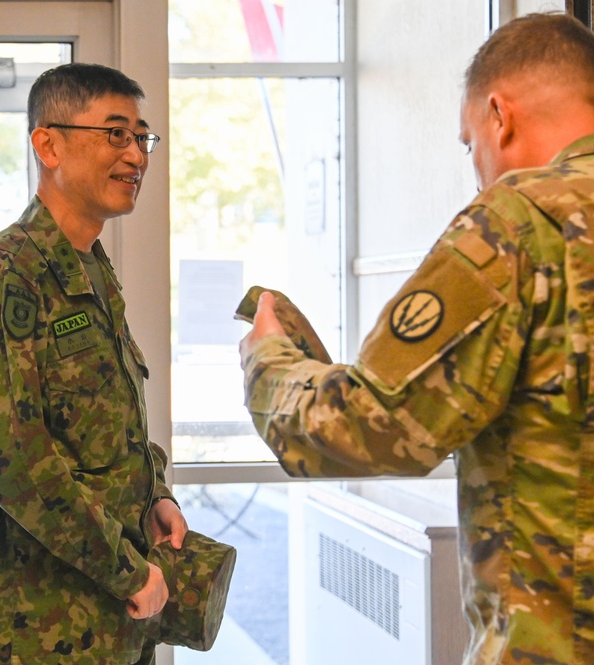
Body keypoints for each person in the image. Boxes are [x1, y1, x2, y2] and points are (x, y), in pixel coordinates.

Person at [240, 12, 594, 665]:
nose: (477, 167)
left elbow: (374, 422)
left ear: (498, 115)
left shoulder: (520, 220)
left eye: (468, 145)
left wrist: (268, 356)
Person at [0, 62, 187, 665]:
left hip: (119, 616)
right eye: (115, 133)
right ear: (47, 144)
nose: (136, 155)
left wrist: (155, 495)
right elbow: (13, 459)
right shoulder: (6, 274)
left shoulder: (92, 267)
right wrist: (125, 570)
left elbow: (111, 423)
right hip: (47, 630)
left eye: (142, 136)